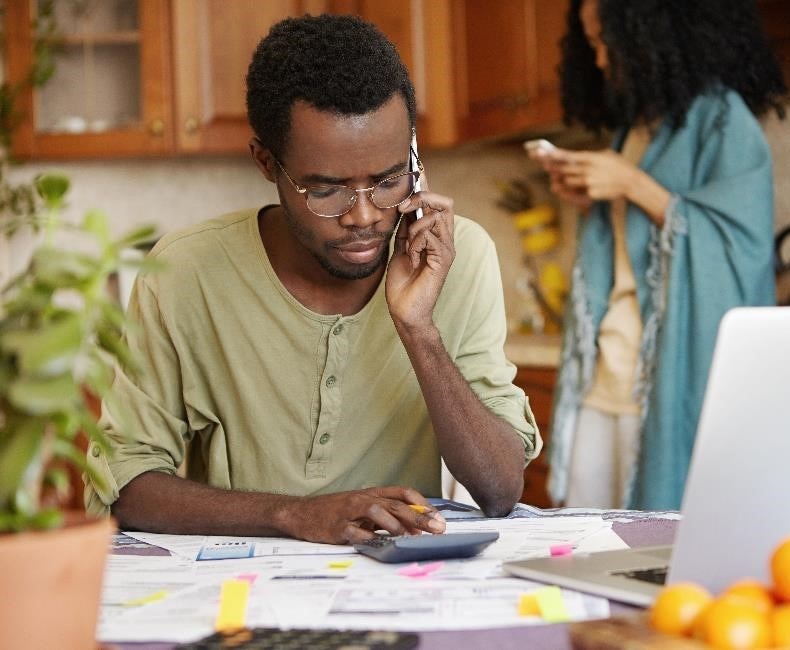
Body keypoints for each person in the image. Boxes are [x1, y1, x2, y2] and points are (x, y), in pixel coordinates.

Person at [85, 14, 540, 543]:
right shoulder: (184, 272)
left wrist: (419, 328)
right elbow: (124, 487)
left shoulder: (455, 257)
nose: (365, 216)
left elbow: (501, 488)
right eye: (326, 190)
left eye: (391, 180)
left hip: (400, 585)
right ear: (265, 162)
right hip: (239, 584)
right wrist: (295, 515)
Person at [529, 0, 787, 510]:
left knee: (650, 552)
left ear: (651, 34)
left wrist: (629, 183)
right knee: (586, 543)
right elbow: (641, 243)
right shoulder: (635, 129)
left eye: (606, 41)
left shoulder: (722, 119)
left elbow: (743, 247)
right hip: (605, 371)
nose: (600, 60)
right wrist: (593, 201)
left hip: (667, 380)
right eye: (592, 45)